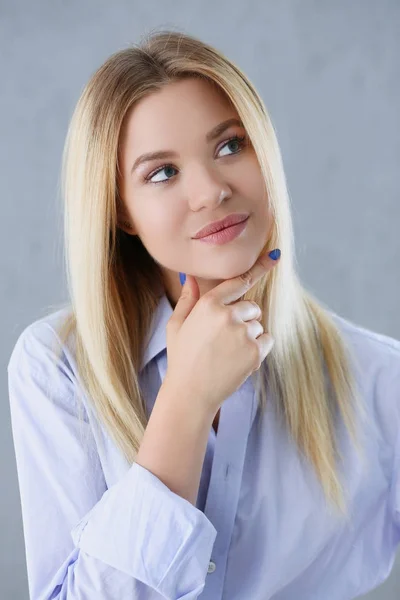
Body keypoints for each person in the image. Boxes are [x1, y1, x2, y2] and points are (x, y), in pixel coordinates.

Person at [7, 29, 400, 600]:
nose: (211, 191)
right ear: (121, 212)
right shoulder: (56, 369)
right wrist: (186, 401)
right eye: (161, 173)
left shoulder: (382, 381)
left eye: (230, 146)